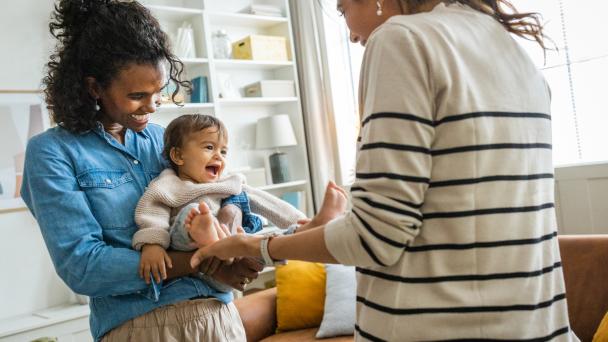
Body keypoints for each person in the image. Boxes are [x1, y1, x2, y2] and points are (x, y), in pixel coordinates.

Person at [190, 0, 579, 340]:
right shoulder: (512, 51)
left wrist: (255, 246)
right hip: (535, 321)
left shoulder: (402, 39)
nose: (352, 34)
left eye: (343, 9)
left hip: (440, 327)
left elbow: (375, 236)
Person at [20, 1, 261, 341]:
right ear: (94, 88)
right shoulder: (52, 152)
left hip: (219, 319)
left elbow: (224, 189)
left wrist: (234, 229)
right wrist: (205, 258)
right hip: (141, 327)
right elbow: (84, 266)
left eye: (158, 92)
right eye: (137, 95)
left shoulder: (165, 140)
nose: (151, 106)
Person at [132, 114, 308, 290]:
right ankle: (203, 231)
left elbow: (266, 202)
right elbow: (152, 213)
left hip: (229, 262)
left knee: (261, 240)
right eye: (209, 147)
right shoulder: (168, 184)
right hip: (192, 256)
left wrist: (298, 220)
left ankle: (298, 234)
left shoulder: (227, 182)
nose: (219, 156)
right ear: (178, 156)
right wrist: (153, 245)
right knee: (194, 212)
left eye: (223, 151)